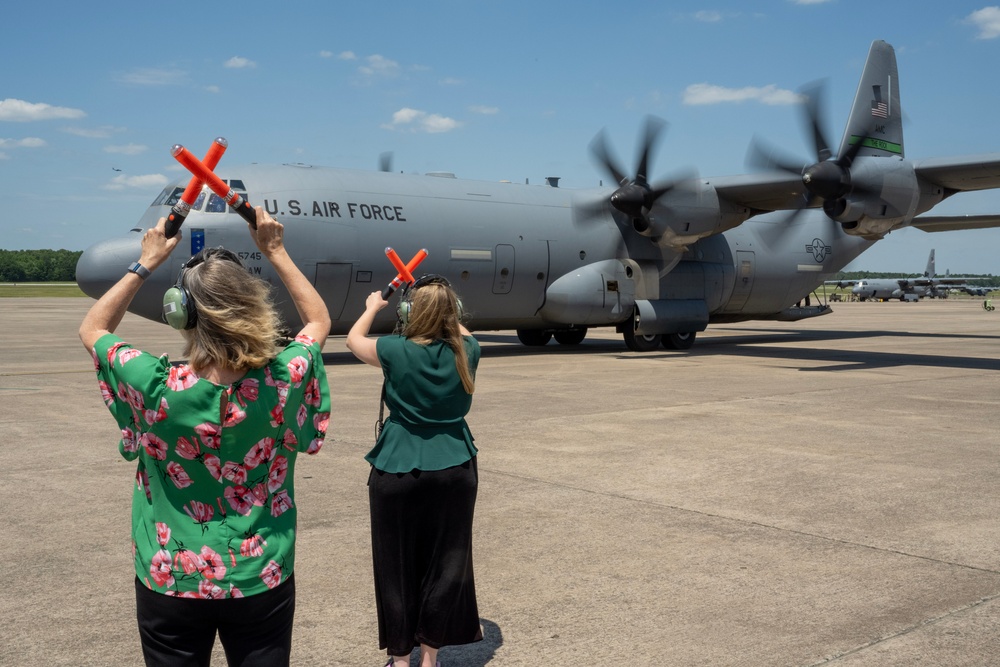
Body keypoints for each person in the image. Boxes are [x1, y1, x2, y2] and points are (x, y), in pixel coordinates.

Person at [79, 208, 331, 666]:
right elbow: (317, 323)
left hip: (171, 575)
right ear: (255, 306)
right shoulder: (282, 379)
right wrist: (274, 249)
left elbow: (93, 328)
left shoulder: (155, 385)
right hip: (260, 572)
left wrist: (146, 261)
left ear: (181, 313)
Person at [346, 276, 483, 667]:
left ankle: (400, 659)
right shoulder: (468, 350)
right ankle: (430, 658)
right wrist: (447, 315)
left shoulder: (393, 349)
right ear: (452, 315)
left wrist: (374, 307)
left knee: (396, 566)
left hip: (398, 466)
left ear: (410, 314)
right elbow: (460, 331)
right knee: (446, 563)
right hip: (456, 465)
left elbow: (353, 339)